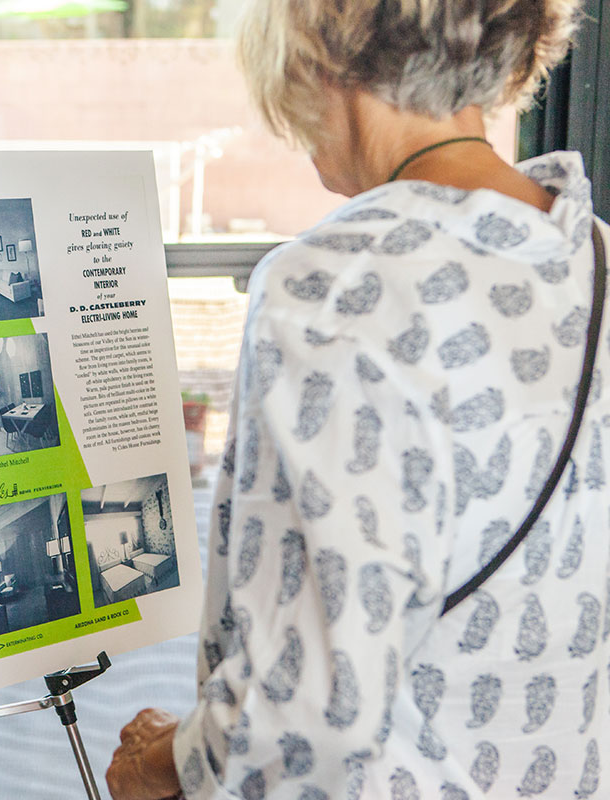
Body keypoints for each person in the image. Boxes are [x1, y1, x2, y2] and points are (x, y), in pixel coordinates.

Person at [107, 0, 606, 797]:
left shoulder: (331, 288)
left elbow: (310, 710)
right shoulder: (596, 257)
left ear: (318, 48)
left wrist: (162, 762)